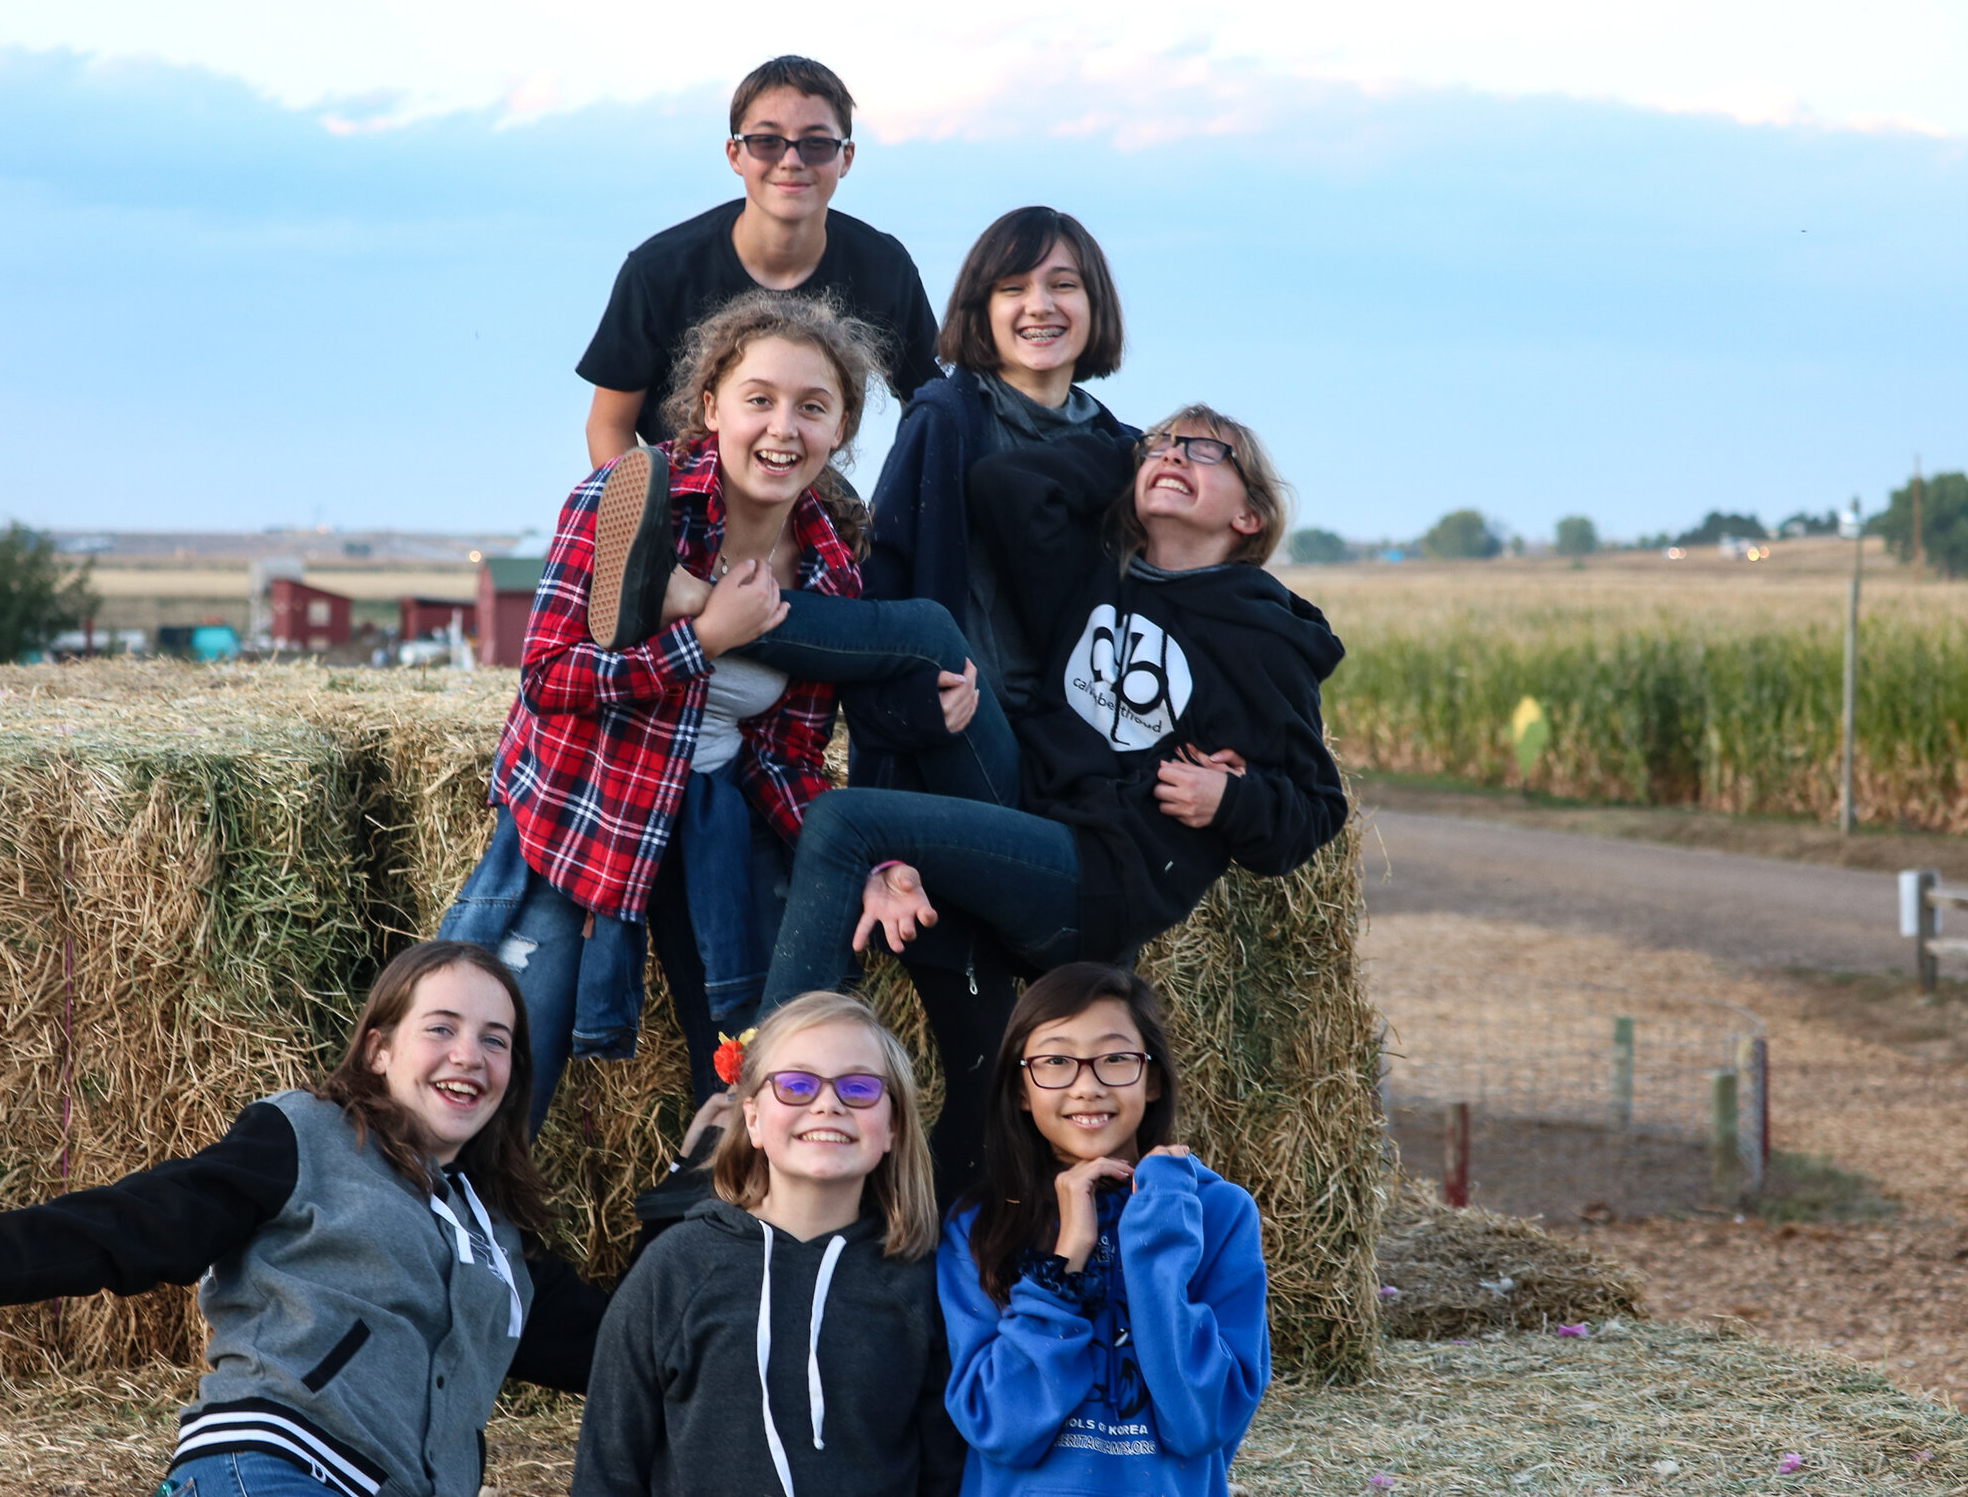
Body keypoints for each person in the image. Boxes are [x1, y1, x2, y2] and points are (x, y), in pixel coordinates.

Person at [0, 940, 608, 1497]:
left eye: (496, 1039)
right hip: (278, 1468)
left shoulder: (498, 1240)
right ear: (380, 1047)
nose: (470, 1054)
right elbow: (130, 1224)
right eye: (443, 1027)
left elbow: (632, 1343)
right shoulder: (305, 1136)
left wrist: (731, 1189)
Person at [448, 291, 1013, 1133]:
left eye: (812, 408)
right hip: (585, 815)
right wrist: (705, 637)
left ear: (841, 429)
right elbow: (549, 676)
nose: (783, 428)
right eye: (760, 400)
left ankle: (721, 1215)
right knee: (497, 1065)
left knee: (769, 1046)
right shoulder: (630, 498)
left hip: (716, 817)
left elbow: (781, 754)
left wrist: (866, 860)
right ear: (711, 407)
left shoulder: (829, 566)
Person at [761, 407, 1349, 1190]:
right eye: (1164, 445)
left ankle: (765, 1089)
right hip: (1032, 812)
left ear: (1249, 515)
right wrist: (1127, 452)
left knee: (841, 822)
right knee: (932, 631)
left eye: (1206, 453)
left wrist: (1228, 798)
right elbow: (1008, 484)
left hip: (1098, 882)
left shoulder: (1262, 635)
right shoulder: (1098, 575)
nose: (1175, 454)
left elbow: (1316, 807)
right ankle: (717, 614)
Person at [572, 991, 964, 1497]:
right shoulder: (676, 1268)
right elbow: (608, 1466)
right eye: (797, 1085)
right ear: (753, 1118)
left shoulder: (920, 1281)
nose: (828, 1103)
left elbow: (945, 1476)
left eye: (860, 1088)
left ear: (891, 1126)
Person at [939, 963, 1269, 1497]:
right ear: (1022, 1089)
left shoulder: (1218, 1214)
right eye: (1056, 1061)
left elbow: (1202, 1423)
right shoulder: (979, 1225)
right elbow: (998, 1426)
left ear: (1154, 1078)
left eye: (1116, 1059)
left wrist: (1156, 1235)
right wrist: (1066, 1255)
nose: (1087, 1086)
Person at [845, 205, 1137, 773]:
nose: (1040, 305)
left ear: (1094, 304)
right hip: (967, 735)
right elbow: (882, 580)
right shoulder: (947, 422)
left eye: (1064, 285)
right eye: (1012, 288)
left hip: (1071, 752)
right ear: (982, 309)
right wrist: (911, 710)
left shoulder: (1121, 447)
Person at [580, 55, 940, 467]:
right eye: (767, 142)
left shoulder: (884, 268)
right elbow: (609, 424)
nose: (791, 160)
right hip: (685, 500)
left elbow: (930, 402)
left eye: (817, 143)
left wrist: (904, 514)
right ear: (735, 154)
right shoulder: (657, 273)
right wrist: (645, 525)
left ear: (846, 158)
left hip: (810, 494)